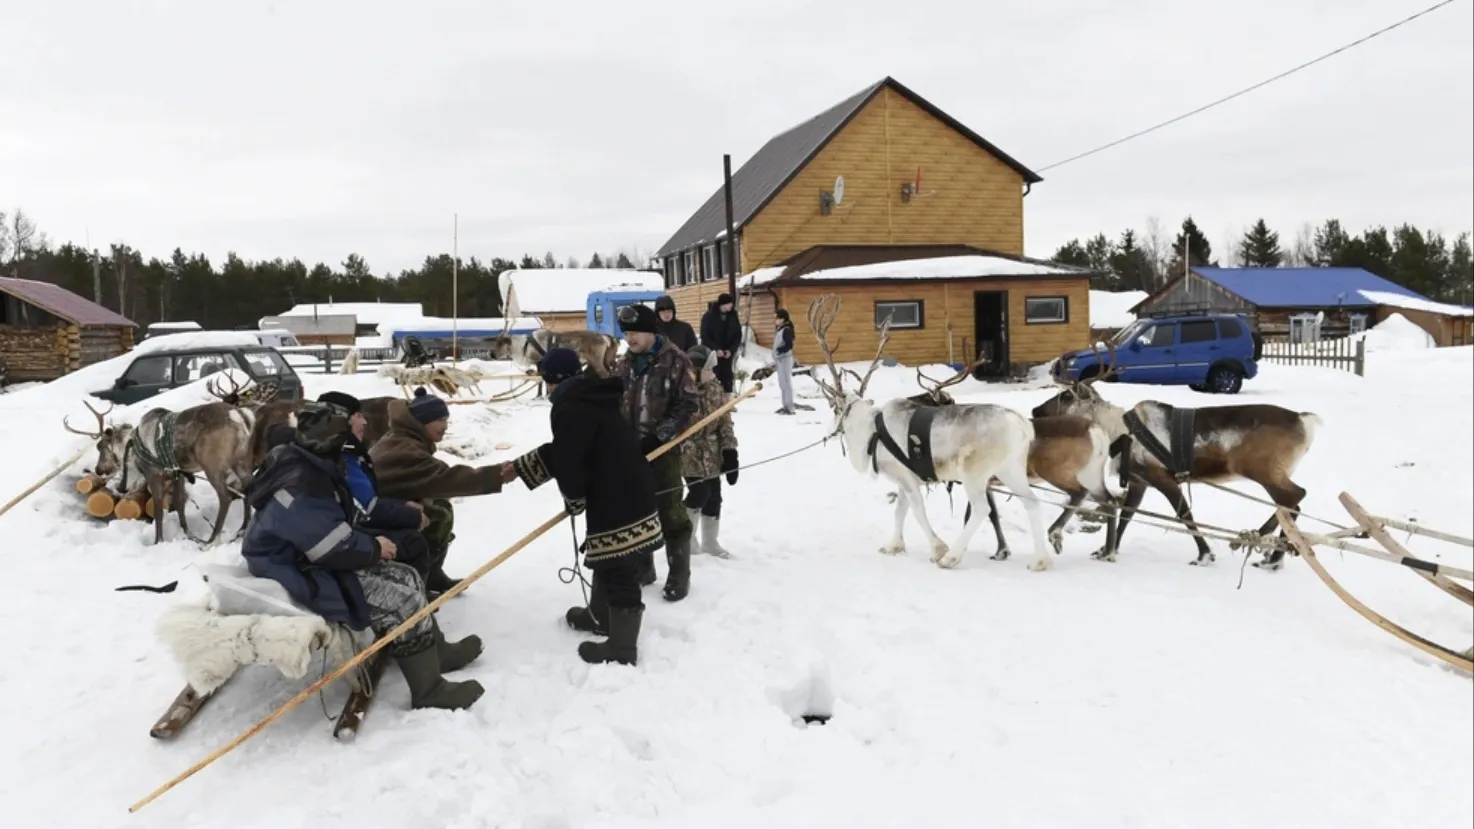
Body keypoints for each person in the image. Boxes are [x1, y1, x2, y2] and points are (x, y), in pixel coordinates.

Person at [241, 401, 484, 711]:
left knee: (406, 576)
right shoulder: (300, 483)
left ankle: (436, 653)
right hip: (292, 571)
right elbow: (329, 545)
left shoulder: (311, 462)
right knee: (400, 601)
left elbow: (331, 527)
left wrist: (371, 541)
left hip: (309, 559)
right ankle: (429, 690)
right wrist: (373, 547)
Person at [507, 348, 662, 665]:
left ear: (554, 381)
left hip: (616, 494)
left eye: (546, 381)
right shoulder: (590, 397)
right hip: (628, 485)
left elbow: (570, 460)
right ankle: (599, 617)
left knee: (619, 567)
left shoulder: (569, 407)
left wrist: (574, 497)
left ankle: (621, 648)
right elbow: (571, 448)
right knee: (608, 556)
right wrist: (523, 467)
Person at [369, 387, 516, 598]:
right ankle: (418, 584)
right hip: (373, 513)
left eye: (446, 420)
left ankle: (433, 573)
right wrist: (497, 476)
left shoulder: (404, 437)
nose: (445, 426)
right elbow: (445, 479)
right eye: (439, 420)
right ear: (421, 422)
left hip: (382, 503)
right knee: (436, 514)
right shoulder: (405, 449)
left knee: (440, 507)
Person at [318, 391, 445, 591]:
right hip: (338, 538)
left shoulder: (348, 452)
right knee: (413, 541)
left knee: (426, 518)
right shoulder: (340, 457)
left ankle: (419, 589)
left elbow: (365, 500)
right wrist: (410, 515)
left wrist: (404, 506)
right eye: (358, 416)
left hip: (343, 529)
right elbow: (365, 509)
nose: (365, 422)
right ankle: (414, 606)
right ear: (340, 420)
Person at [614, 302, 699, 601]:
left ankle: (679, 574)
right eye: (626, 333)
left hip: (664, 452)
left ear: (651, 331)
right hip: (630, 452)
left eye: (635, 332)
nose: (629, 338)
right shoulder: (624, 363)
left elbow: (688, 407)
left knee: (670, 512)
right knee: (637, 509)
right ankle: (644, 568)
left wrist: (658, 438)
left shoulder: (676, 361)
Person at [681, 345, 740, 558]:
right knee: (699, 492)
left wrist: (730, 451)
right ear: (694, 370)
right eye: (708, 369)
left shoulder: (715, 388)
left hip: (711, 450)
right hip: (688, 451)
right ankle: (686, 538)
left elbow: (724, 422)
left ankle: (710, 542)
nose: (712, 373)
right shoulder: (681, 391)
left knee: (714, 496)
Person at [699, 292, 743, 395]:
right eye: (729, 304)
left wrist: (731, 350)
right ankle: (714, 401)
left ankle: (728, 402)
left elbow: (737, 334)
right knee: (713, 377)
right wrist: (716, 349)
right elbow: (705, 336)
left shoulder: (733, 315)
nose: (731, 306)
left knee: (727, 377)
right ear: (723, 304)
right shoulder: (709, 316)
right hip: (713, 353)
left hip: (727, 353)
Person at [773, 308, 797, 415]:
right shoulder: (780, 329)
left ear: (782, 319)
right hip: (780, 359)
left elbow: (789, 345)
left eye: (777, 318)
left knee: (786, 382)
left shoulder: (786, 329)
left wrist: (779, 350)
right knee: (782, 383)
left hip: (785, 358)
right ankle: (785, 405)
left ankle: (790, 407)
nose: (775, 320)